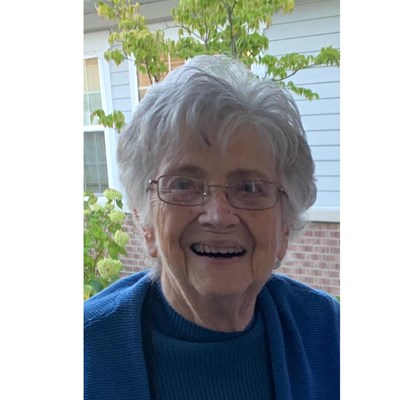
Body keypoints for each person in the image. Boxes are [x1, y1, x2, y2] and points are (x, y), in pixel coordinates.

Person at [84, 54, 339, 400]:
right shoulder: (84, 352)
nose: (218, 215)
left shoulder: (330, 333)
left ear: (283, 229)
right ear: (147, 221)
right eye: (184, 185)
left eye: (250, 187)